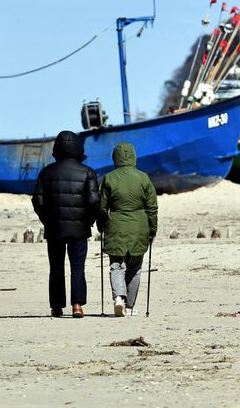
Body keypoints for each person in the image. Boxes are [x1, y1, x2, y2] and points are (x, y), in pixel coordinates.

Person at [32, 131, 100, 318]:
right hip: (79, 228)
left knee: (56, 267)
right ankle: (77, 305)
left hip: (54, 228)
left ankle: (56, 307)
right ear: (78, 149)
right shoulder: (88, 172)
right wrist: (88, 221)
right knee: (77, 267)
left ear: (56, 149)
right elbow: (94, 201)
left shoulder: (46, 172)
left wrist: (47, 220)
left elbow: (38, 201)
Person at [98, 143, 158, 317]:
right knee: (135, 267)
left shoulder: (109, 178)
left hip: (116, 224)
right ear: (133, 156)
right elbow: (152, 207)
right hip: (139, 226)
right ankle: (130, 307)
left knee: (116, 265)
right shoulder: (144, 178)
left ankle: (118, 298)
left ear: (115, 157)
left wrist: (101, 225)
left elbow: (102, 208)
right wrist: (152, 229)